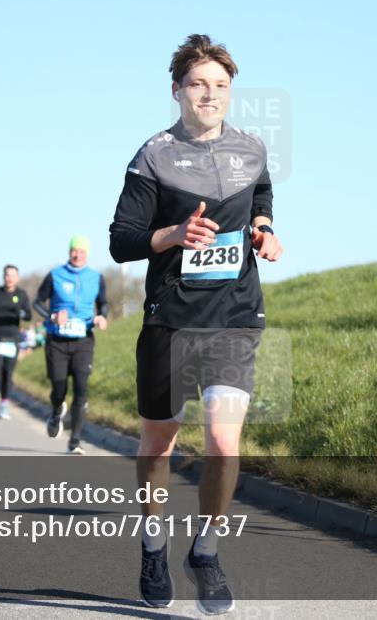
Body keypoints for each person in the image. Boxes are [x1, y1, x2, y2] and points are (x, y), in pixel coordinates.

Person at [109, 34, 283, 613]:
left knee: (223, 440)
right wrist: (175, 235)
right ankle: (153, 542)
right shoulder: (153, 155)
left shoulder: (252, 149)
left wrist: (264, 228)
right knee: (160, 440)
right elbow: (122, 241)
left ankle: (205, 551)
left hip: (234, 314)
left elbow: (261, 197)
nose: (210, 94)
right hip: (171, 319)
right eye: (199, 84)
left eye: (221, 86)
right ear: (177, 90)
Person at [33, 235, 109, 455]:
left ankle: (74, 441)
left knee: (81, 389)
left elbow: (103, 303)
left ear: (87, 254)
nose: (78, 255)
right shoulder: (55, 275)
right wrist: (52, 316)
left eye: (82, 252)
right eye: (74, 251)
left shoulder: (96, 277)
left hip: (83, 340)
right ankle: (57, 410)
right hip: (57, 340)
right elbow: (37, 302)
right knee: (59, 386)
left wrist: (102, 316)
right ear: (69, 252)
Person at [0, 265, 31, 419]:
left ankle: (3, 405)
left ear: (17, 278)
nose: (9, 278)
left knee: (7, 373)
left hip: (12, 339)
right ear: (3, 277)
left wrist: (22, 313)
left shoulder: (21, 295)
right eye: (7, 275)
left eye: (13, 275)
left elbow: (28, 315)